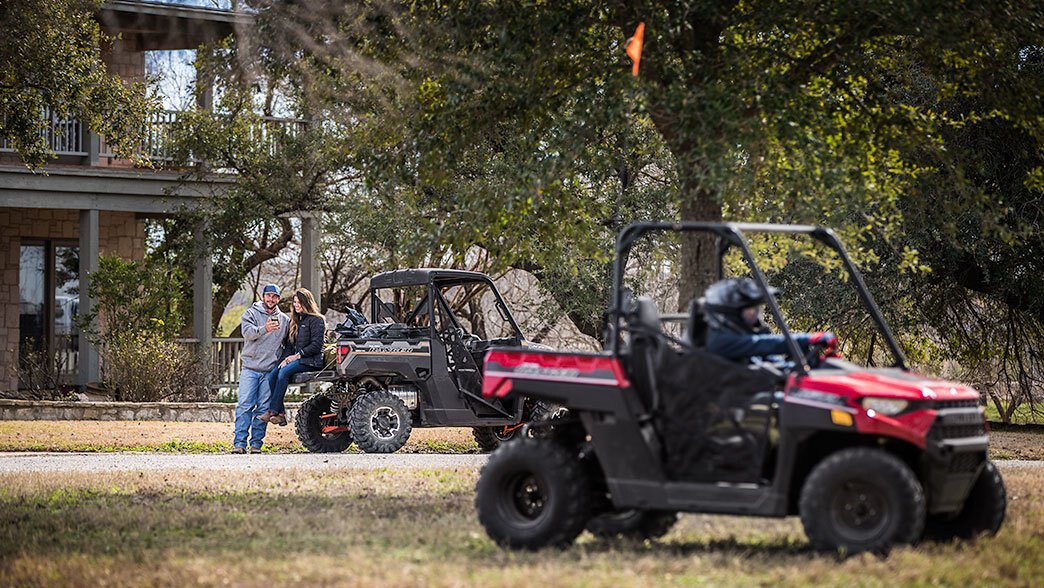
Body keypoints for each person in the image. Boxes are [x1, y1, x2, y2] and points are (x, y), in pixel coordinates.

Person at [703, 277, 837, 365]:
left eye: (757, 309)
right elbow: (763, 344)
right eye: (750, 310)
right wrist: (807, 339)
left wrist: (816, 365)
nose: (755, 314)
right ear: (731, 314)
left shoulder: (742, 334)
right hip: (737, 400)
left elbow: (771, 362)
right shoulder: (719, 339)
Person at [232, 283, 288, 454]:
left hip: (269, 371)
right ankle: (239, 444)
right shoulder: (251, 313)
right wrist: (265, 329)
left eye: (275, 296)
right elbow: (248, 333)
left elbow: (289, 342)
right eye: (268, 295)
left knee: (263, 409)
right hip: (250, 368)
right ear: (263, 296)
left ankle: (256, 444)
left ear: (278, 299)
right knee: (244, 405)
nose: (271, 299)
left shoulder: (285, 320)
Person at [260, 288, 327, 426]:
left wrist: (296, 356)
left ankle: (273, 411)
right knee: (273, 374)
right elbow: (289, 345)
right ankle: (281, 414)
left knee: (283, 372)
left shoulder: (317, 320)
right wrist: (285, 359)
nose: (296, 305)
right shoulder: (295, 321)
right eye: (295, 302)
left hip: (311, 360)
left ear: (307, 302)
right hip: (297, 359)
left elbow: (316, 345)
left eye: (299, 302)